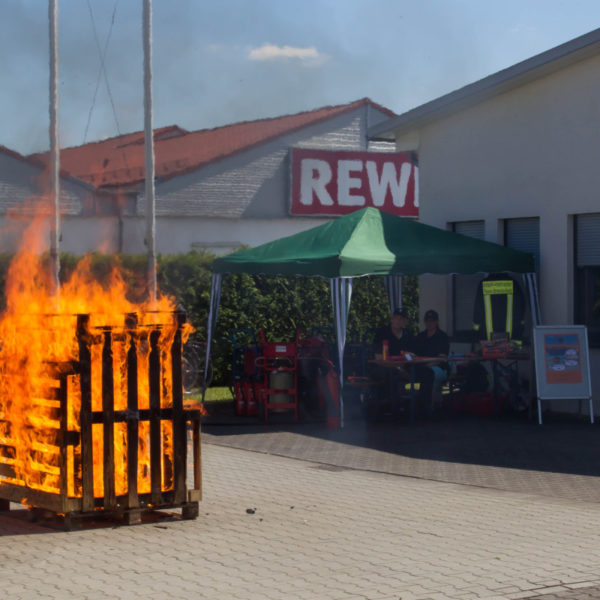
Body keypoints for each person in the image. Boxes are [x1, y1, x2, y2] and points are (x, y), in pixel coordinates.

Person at [413, 309, 450, 416]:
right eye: (427, 321)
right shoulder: (420, 336)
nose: (430, 323)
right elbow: (414, 355)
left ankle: (430, 409)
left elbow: (442, 358)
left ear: (437, 322)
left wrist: (428, 364)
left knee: (430, 376)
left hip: (439, 368)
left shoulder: (443, 337)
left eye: (432, 321)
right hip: (421, 367)